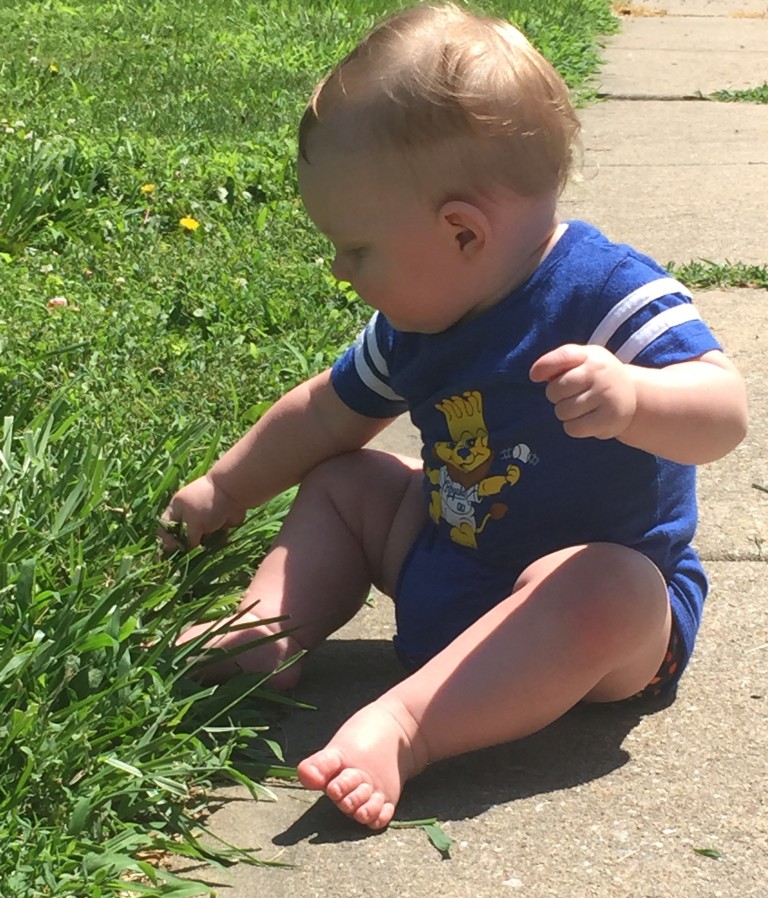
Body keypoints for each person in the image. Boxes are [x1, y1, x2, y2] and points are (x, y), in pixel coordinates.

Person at [159, 2, 748, 831]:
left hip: (594, 634)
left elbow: (723, 413)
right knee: (346, 482)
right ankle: (266, 629)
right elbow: (326, 415)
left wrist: (636, 398)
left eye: (357, 248)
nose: (339, 269)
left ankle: (407, 727)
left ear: (462, 232)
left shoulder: (608, 294)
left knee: (609, 582)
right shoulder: (413, 328)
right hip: (454, 553)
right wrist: (223, 489)